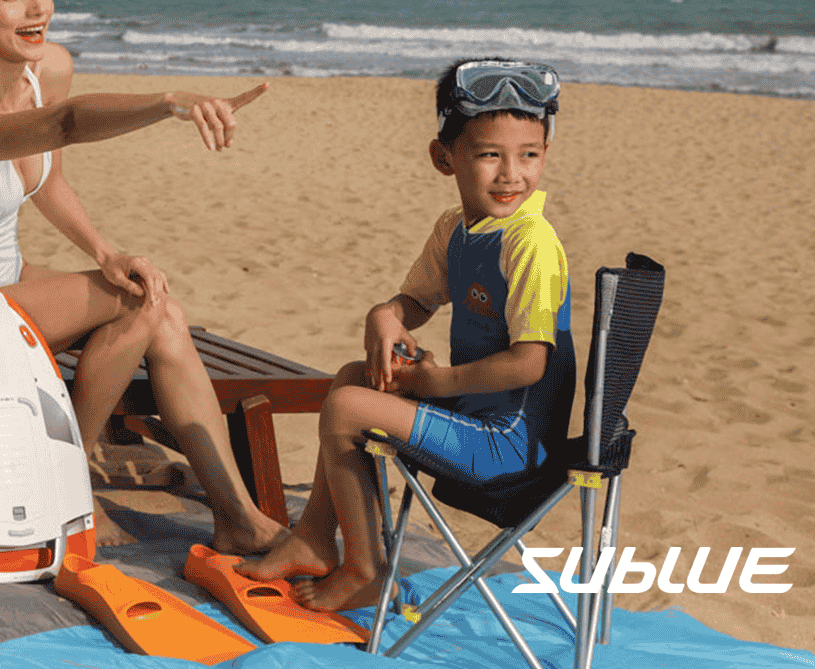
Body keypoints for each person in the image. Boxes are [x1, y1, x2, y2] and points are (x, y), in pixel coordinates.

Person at [0, 0, 286, 552]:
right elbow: (68, 125)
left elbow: (45, 178)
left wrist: (104, 252)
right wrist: (168, 103)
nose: (36, 8)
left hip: (9, 292)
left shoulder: (46, 69)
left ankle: (235, 513)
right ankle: (68, 486)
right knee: (140, 302)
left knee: (160, 309)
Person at [238, 58, 575, 610]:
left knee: (349, 408)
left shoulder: (530, 242)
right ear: (444, 158)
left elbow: (529, 364)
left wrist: (433, 383)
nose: (511, 174)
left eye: (529, 155)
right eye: (490, 154)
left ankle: (366, 570)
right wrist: (385, 314)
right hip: (476, 417)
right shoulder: (458, 230)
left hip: (512, 448)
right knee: (353, 377)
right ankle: (314, 537)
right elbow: (417, 301)